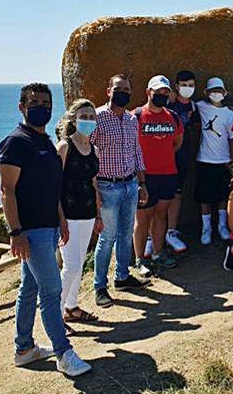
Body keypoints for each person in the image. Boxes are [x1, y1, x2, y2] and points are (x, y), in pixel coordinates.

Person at [0, 82, 91, 376]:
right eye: (34, 102)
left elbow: (53, 188)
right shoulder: (15, 142)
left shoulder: (46, 142)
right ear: (22, 107)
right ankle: (64, 353)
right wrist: (15, 233)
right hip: (31, 231)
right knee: (51, 291)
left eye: (46, 103)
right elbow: (6, 190)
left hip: (49, 227)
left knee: (30, 287)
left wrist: (60, 219)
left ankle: (24, 348)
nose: (41, 108)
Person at [89, 75, 150, 309]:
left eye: (126, 89)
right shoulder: (97, 117)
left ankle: (122, 277)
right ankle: (99, 286)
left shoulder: (131, 119)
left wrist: (142, 183)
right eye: (118, 88)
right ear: (108, 91)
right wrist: (92, 186)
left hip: (130, 184)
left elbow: (136, 151)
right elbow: (87, 151)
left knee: (125, 234)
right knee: (107, 238)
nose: (122, 92)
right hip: (107, 185)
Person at [55, 99, 102, 326]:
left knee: (80, 263)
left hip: (87, 214)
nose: (88, 121)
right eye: (84, 117)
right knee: (71, 266)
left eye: (92, 117)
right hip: (68, 216)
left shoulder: (94, 150)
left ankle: (71, 307)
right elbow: (53, 187)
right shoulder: (64, 147)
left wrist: (98, 215)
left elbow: (94, 183)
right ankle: (54, 314)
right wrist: (60, 219)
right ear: (73, 119)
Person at [133, 76, 184, 274]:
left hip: (168, 174)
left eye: (165, 92)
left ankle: (157, 252)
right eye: (158, 92)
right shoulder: (136, 115)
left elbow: (178, 142)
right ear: (148, 92)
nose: (161, 95)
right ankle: (140, 259)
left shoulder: (173, 117)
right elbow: (130, 146)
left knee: (161, 214)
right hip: (144, 176)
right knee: (143, 217)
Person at [195, 77, 233, 244]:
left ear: (224, 93)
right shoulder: (201, 107)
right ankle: (206, 228)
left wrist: (231, 159)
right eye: (213, 91)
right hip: (204, 160)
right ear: (207, 93)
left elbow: (232, 138)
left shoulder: (230, 113)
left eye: (219, 91)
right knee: (204, 197)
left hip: (223, 160)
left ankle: (222, 225)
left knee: (222, 196)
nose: (216, 94)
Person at [164, 70, 200, 254]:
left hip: (183, 156)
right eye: (184, 84)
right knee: (158, 196)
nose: (187, 88)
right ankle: (149, 236)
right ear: (176, 86)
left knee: (177, 194)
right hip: (164, 156)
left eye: (191, 85)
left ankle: (171, 231)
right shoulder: (168, 103)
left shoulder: (194, 107)